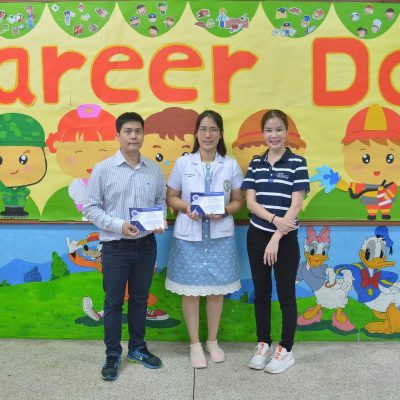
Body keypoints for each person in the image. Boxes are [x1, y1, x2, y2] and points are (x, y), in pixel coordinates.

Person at [83, 112, 167, 381]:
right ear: (117, 135)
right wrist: (120, 225)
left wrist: (160, 220)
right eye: (128, 131)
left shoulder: (154, 169)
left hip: (146, 246)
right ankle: (112, 354)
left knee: (140, 300)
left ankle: (138, 348)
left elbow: (160, 202)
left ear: (143, 135)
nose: (134, 136)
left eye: (138, 131)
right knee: (113, 302)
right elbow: (90, 208)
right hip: (115, 247)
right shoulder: (103, 169)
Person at [165, 110, 244, 368]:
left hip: (220, 237)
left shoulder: (230, 164)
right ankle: (195, 344)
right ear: (196, 133)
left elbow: (238, 201)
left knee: (216, 292)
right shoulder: (184, 163)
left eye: (213, 129)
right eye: (203, 129)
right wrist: (187, 207)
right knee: (190, 293)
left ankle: (212, 340)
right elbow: (171, 197)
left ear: (220, 134)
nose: (208, 134)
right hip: (189, 238)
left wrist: (225, 210)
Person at [241, 109, 309, 374]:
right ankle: (263, 344)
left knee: (286, 295)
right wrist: (273, 220)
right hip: (257, 235)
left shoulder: (297, 163)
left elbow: (296, 204)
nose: (274, 135)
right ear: (263, 133)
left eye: (279, 129)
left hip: (285, 239)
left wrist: (277, 236)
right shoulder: (256, 163)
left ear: (286, 131)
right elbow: (250, 202)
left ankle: (286, 349)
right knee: (261, 293)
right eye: (269, 130)